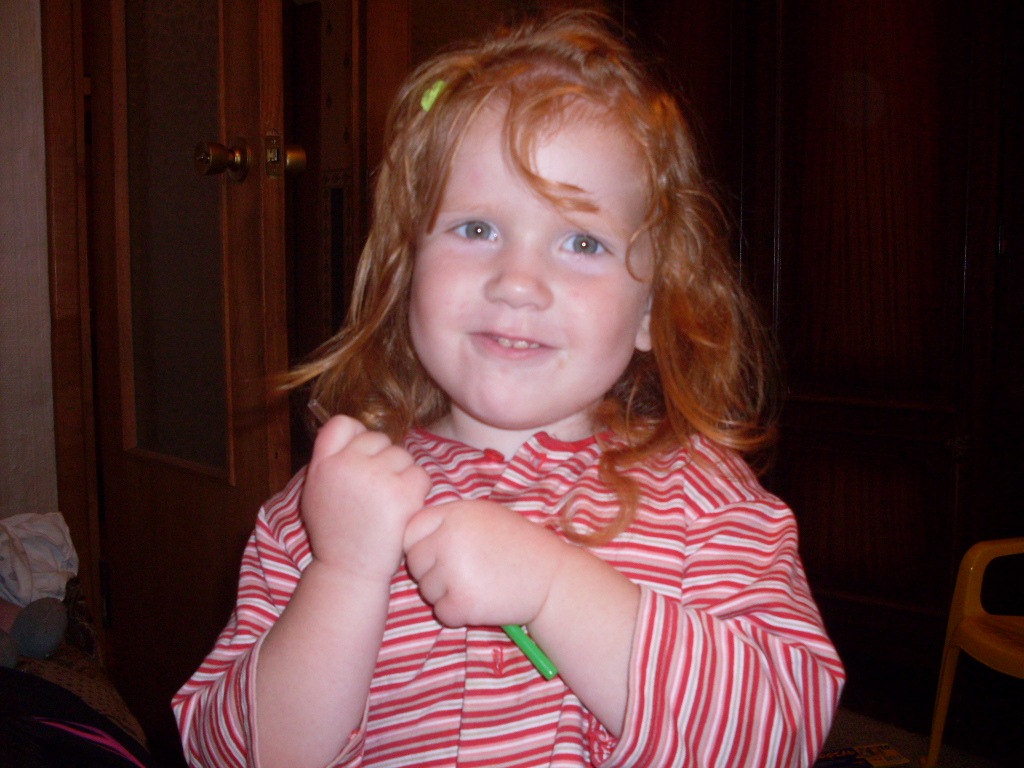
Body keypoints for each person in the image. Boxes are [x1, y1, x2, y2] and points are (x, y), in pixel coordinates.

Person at [173, 10, 844, 767]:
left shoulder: (709, 503)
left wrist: (555, 588)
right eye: (477, 230)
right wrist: (344, 575)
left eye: (582, 242)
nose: (518, 281)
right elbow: (224, 755)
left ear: (652, 308)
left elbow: (779, 733)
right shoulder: (330, 506)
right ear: (407, 267)